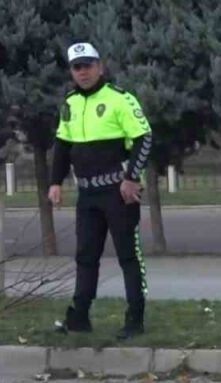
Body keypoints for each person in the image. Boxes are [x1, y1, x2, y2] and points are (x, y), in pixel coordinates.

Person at [49, 42, 153, 339]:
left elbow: (144, 138)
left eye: (88, 65)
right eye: (76, 67)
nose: (83, 72)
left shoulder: (120, 99)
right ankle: (79, 317)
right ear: (71, 71)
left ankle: (135, 319)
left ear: (100, 67)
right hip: (87, 195)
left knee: (128, 256)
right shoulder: (69, 103)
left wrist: (132, 178)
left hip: (118, 192)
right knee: (85, 256)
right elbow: (63, 145)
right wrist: (55, 182)